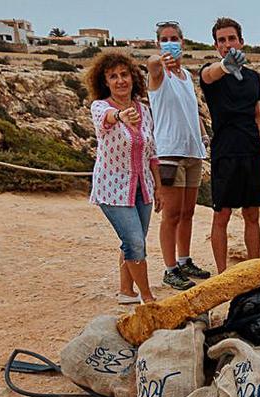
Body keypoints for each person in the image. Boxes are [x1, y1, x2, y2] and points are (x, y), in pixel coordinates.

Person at [86, 52, 161, 304]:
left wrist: (158, 187)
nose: (120, 81)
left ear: (132, 77)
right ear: (105, 82)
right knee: (135, 242)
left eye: (124, 74)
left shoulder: (144, 110)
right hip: (112, 187)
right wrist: (120, 116)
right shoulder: (100, 107)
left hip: (143, 187)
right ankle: (147, 297)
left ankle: (126, 291)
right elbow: (106, 118)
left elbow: (152, 153)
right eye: (113, 76)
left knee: (131, 241)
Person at [147, 20, 210, 291]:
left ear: (182, 42)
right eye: (164, 39)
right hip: (170, 152)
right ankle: (170, 268)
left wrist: (203, 135)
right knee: (170, 215)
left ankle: (184, 260)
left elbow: (192, 111)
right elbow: (151, 64)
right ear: (158, 43)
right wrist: (159, 61)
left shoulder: (185, 75)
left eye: (174, 38)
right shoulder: (159, 73)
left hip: (192, 151)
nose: (170, 42)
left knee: (187, 212)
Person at [200, 17, 260, 274]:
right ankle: (222, 274)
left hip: (251, 152)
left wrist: (258, 140)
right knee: (222, 216)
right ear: (216, 46)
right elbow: (209, 74)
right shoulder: (211, 73)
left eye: (231, 38)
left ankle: (254, 271)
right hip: (225, 153)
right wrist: (225, 67)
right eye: (221, 40)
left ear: (241, 41)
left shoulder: (252, 78)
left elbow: (257, 113)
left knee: (252, 215)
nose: (227, 44)